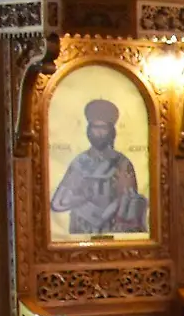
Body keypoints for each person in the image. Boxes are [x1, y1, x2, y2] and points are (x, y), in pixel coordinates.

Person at [50, 98, 148, 234]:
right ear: (89, 130)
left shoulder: (122, 163)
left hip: (112, 230)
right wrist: (81, 199)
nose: (99, 133)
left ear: (111, 131)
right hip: (82, 231)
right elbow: (57, 202)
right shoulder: (79, 162)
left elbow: (130, 200)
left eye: (103, 128)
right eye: (95, 127)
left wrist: (123, 194)